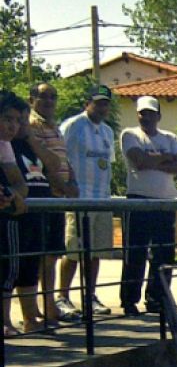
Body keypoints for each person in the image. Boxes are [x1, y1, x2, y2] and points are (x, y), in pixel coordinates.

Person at [118, 96, 177, 317]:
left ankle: (157, 298)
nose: (146, 117)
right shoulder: (130, 135)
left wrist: (155, 159)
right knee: (135, 253)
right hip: (138, 199)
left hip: (165, 201)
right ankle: (129, 301)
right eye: (142, 113)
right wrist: (166, 159)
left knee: (164, 253)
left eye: (150, 113)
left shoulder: (170, 137)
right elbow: (138, 160)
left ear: (158, 116)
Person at [57, 85, 115, 319]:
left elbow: (107, 163)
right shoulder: (72, 126)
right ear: (87, 103)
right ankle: (62, 296)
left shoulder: (107, 131)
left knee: (96, 251)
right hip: (79, 198)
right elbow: (60, 157)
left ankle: (89, 296)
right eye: (98, 102)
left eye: (105, 103)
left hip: (102, 198)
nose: (102, 107)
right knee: (73, 251)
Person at [28, 82, 77, 328]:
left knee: (52, 256)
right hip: (46, 197)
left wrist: (73, 180)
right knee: (45, 258)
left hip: (58, 198)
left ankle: (45, 308)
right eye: (44, 97)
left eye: (53, 97)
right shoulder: (32, 125)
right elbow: (43, 163)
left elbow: (62, 159)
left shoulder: (54, 126)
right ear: (32, 99)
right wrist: (63, 186)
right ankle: (46, 310)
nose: (49, 102)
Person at [0, 91, 30, 336]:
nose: (14, 126)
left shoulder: (4, 145)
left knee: (8, 265)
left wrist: (13, 195)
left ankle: (5, 320)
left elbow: (20, 183)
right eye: (8, 119)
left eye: (18, 120)